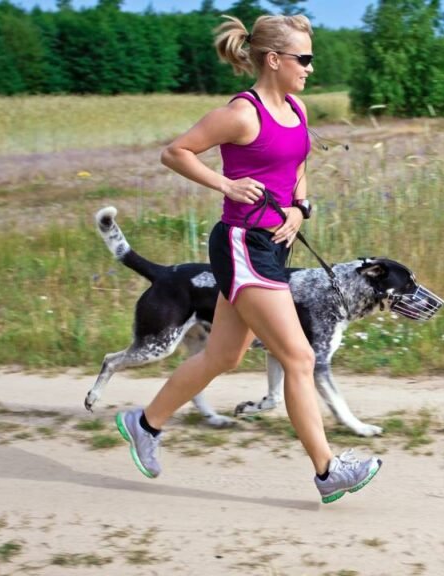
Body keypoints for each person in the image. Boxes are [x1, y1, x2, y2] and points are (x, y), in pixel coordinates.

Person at [114, 13, 381, 504]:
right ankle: (328, 471)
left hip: (274, 246)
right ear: (274, 60)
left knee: (224, 355)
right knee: (300, 356)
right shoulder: (243, 113)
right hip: (241, 244)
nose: (310, 68)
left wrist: (299, 208)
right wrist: (226, 183)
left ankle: (144, 423)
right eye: (304, 59)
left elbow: (298, 164)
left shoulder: (296, 110)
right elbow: (175, 153)